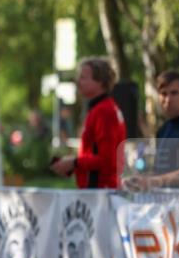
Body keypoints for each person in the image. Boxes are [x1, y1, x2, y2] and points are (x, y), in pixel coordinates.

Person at [49, 57, 125, 188]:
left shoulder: (104, 111)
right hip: (98, 190)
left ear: (100, 81)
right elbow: (94, 153)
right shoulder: (101, 108)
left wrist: (74, 162)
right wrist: (71, 163)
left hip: (101, 192)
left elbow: (107, 160)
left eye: (83, 77)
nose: (78, 82)